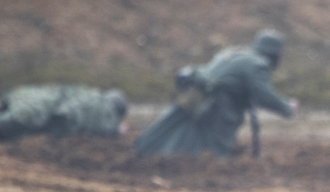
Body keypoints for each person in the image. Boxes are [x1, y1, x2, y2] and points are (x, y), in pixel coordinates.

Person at [136, 29, 298, 157]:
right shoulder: (257, 64)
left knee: (195, 141)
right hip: (220, 108)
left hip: (202, 100)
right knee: (216, 152)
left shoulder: (234, 53)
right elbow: (264, 95)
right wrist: (287, 107)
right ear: (274, 53)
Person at [0, 85, 127, 142]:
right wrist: (117, 130)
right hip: (37, 111)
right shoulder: (103, 105)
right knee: (20, 119)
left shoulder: (86, 93)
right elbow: (101, 122)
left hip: (26, 97)